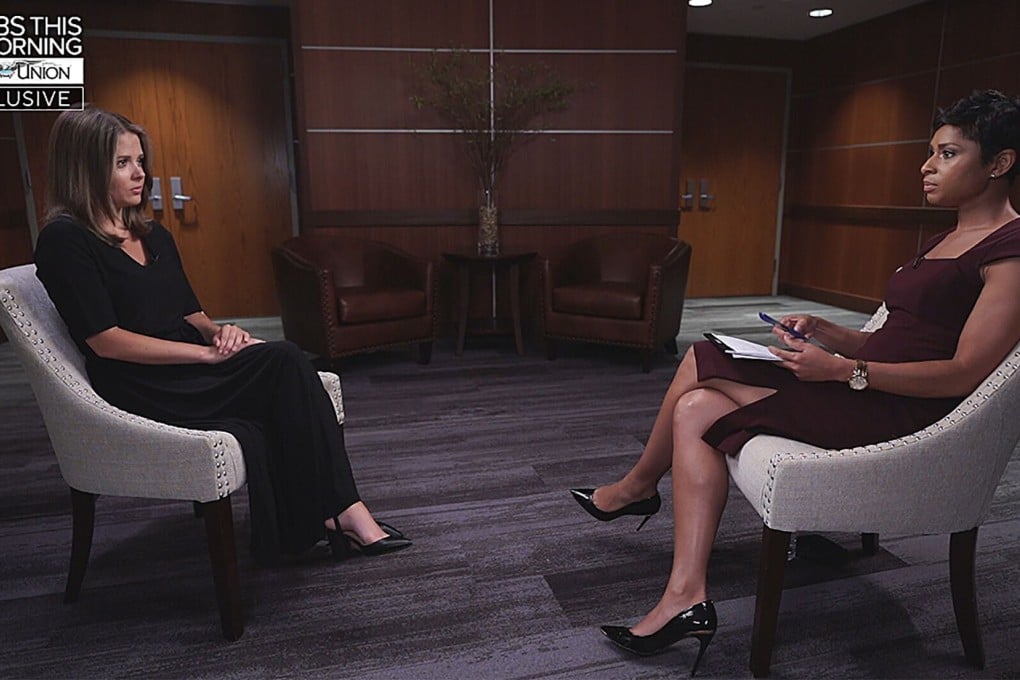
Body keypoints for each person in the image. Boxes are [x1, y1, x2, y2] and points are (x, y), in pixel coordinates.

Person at [571, 88, 1020, 676]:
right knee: (695, 408)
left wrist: (845, 371)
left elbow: (964, 372)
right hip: (869, 386)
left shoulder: (1010, 252)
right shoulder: (947, 237)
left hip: (901, 415)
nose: (927, 166)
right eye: (931, 152)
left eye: (948, 154)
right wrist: (828, 332)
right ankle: (685, 594)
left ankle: (637, 487)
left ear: (999, 163)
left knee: (702, 356)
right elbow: (898, 341)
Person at [34, 105, 411, 565]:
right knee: (286, 361)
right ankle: (340, 514)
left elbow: (191, 312)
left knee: (284, 362)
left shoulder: (152, 234)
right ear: (85, 169)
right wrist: (205, 357)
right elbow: (105, 340)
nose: (140, 173)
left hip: (189, 365)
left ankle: (333, 514)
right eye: (122, 163)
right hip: (141, 384)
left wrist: (221, 333)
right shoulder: (64, 240)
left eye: (140, 160)